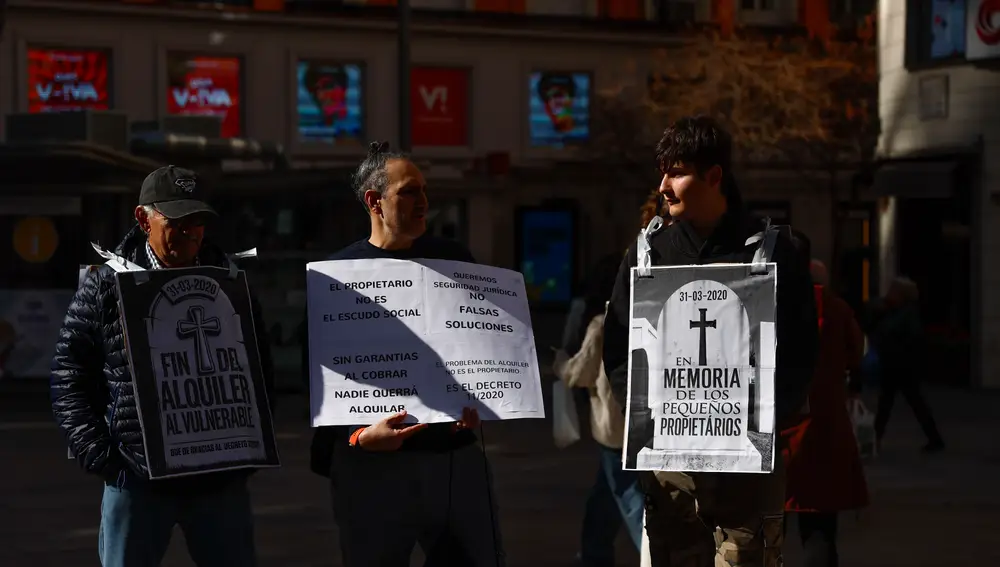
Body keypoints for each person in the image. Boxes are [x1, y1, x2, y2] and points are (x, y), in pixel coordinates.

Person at [602, 116, 818, 567]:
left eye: (676, 172)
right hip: (671, 467)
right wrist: (645, 414)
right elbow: (619, 346)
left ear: (714, 176)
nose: (663, 185)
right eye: (662, 171)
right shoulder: (649, 253)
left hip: (748, 468)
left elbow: (801, 350)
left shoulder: (772, 251)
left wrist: (766, 418)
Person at [49, 165, 275, 567]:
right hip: (137, 478)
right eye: (178, 221)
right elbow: (70, 374)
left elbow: (259, 366)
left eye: (199, 221)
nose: (191, 232)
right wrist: (102, 456)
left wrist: (249, 444)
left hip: (219, 479)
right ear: (143, 218)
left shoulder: (229, 280)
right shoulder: (106, 284)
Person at [311, 141, 504, 567]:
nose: (424, 203)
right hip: (371, 469)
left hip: (453, 460)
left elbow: (481, 350)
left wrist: (483, 400)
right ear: (373, 201)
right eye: (409, 192)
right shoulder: (335, 277)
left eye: (424, 191)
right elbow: (326, 384)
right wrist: (359, 436)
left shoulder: (456, 262)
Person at [780, 252, 869, 567]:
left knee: (763, 528)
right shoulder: (838, 308)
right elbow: (857, 354)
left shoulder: (773, 303)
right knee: (819, 529)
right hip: (825, 427)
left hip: (777, 429)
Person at [554, 258, 643, 567]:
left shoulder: (603, 323)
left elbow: (579, 372)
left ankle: (653, 556)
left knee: (629, 500)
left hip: (614, 431)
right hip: (639, 425)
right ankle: (594, 554)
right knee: (603, 501)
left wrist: (560, 364)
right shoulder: (648, 314)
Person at [871, 277, 945, 453]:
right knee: (898, 403)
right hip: (897, 365)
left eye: (893, 291)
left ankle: (875, 438)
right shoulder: (894, 311)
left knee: (897, 403)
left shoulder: (906, 314)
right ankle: (933, 439)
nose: (889, 293)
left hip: (901, 366)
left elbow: (907, 337)